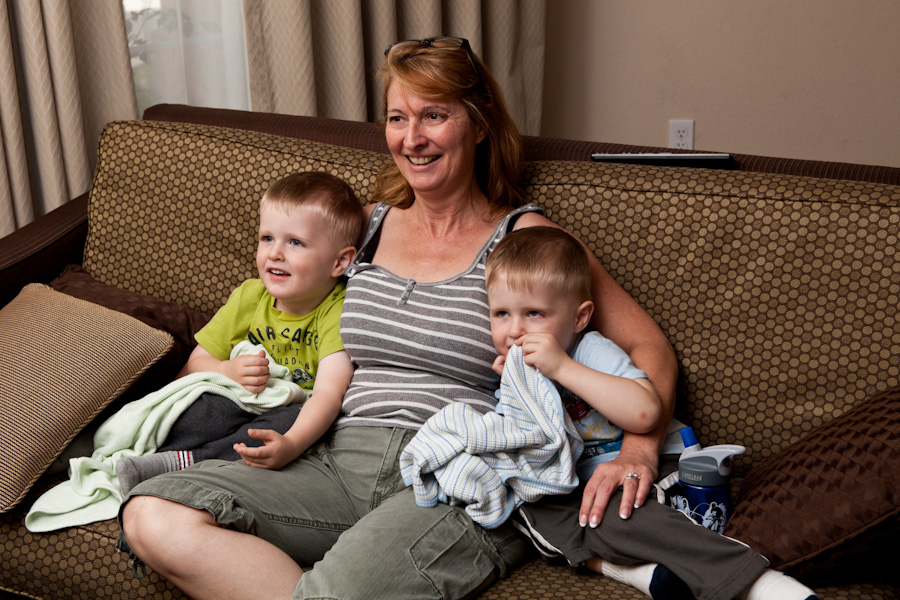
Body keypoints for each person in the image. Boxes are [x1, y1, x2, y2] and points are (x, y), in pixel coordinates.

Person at [117, 36, 681, 599]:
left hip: (457, 477)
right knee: (152, 513)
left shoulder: (528, 241)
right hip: (338, 461)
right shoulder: (362, 228)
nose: (411, 139)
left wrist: (639, 450)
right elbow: (276, 299)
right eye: (397, 117)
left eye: (434, 115)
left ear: (478, 124)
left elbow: (648, 348)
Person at [484, 226, 818, 600]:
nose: (514, 331)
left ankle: (760, 583)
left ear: (579, 318)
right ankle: (641, 572)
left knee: (619, 513)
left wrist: (562, 369)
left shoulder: (588, 350)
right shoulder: (519, 372)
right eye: (501, 313)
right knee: (523, 506)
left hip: (662, 464)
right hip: (589, 484)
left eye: (534, 313)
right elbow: (540, 450)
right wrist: (519, 398)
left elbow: (646, 413)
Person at [115, 171, 363, 494]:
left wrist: (290, 444)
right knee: (208, 404)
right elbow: (197, 361)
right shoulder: (250, 296)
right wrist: (225, 370)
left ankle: (178, 463)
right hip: (238, 400)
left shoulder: (338, 310)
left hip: (289, 416)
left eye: (296, 242)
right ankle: (138, 451)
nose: (275, 253)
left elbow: (330, 395)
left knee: (287, 421)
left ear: (339, 262)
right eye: (267, 238)